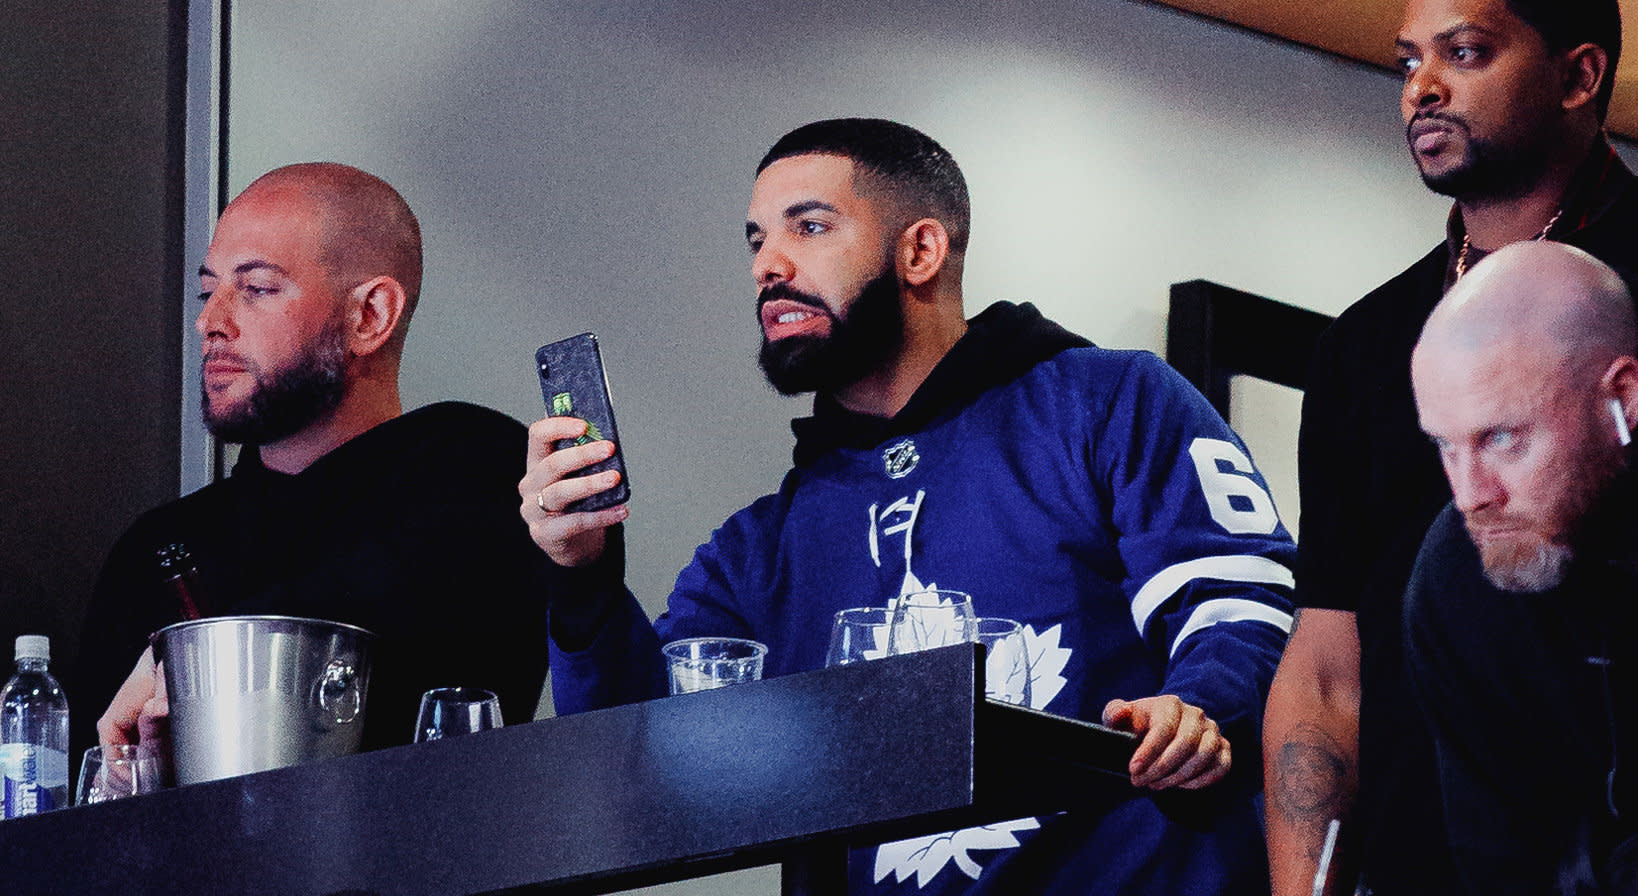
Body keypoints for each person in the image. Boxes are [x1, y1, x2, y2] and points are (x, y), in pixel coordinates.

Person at [523, 118, 1295, 894]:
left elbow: (1240, 602)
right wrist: (581, 573)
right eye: (756, 240)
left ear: (919, 252)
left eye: (811, 227)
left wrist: (1202, 708)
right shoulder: (760, 548)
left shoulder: (1105, 401)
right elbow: (641, 769)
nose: (769, 265)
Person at [1262, 0, 1636, 891]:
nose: (1422, 89)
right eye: (1407, 63)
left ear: (1579, 76)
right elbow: (1326, 669)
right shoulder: (1363, 344)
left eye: (1464, 53)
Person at [75, 163, 552, 760]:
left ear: (370, 316)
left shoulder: (476, 465)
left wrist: (193, 659)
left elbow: (401, 579)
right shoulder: (156, 548)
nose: (209, 322)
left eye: (257, 288)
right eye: (208, 290)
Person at [1405, 241, 1638, 894]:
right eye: (1446, 447)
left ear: (1623, 397)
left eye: (1502, 438)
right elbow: (1504, 864)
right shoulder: (1455, 580)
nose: (1471, 494)